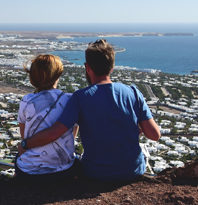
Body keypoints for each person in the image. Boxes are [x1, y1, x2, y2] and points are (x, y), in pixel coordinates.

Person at [19, 40, 160, 182]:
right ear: (112, 67)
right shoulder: (133, 93)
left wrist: (25, 144)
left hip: (95, 172)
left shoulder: (80, 98)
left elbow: (55, 132)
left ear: (87, 67)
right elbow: (154, 135)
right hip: (133, 170)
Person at [15, 54, 79, 182]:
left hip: (29, 172)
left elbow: (25, 137)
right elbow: (73, 134)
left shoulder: (27, 101)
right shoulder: (71, 100)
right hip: (64, 170)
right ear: (58, 75)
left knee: (19, 154)